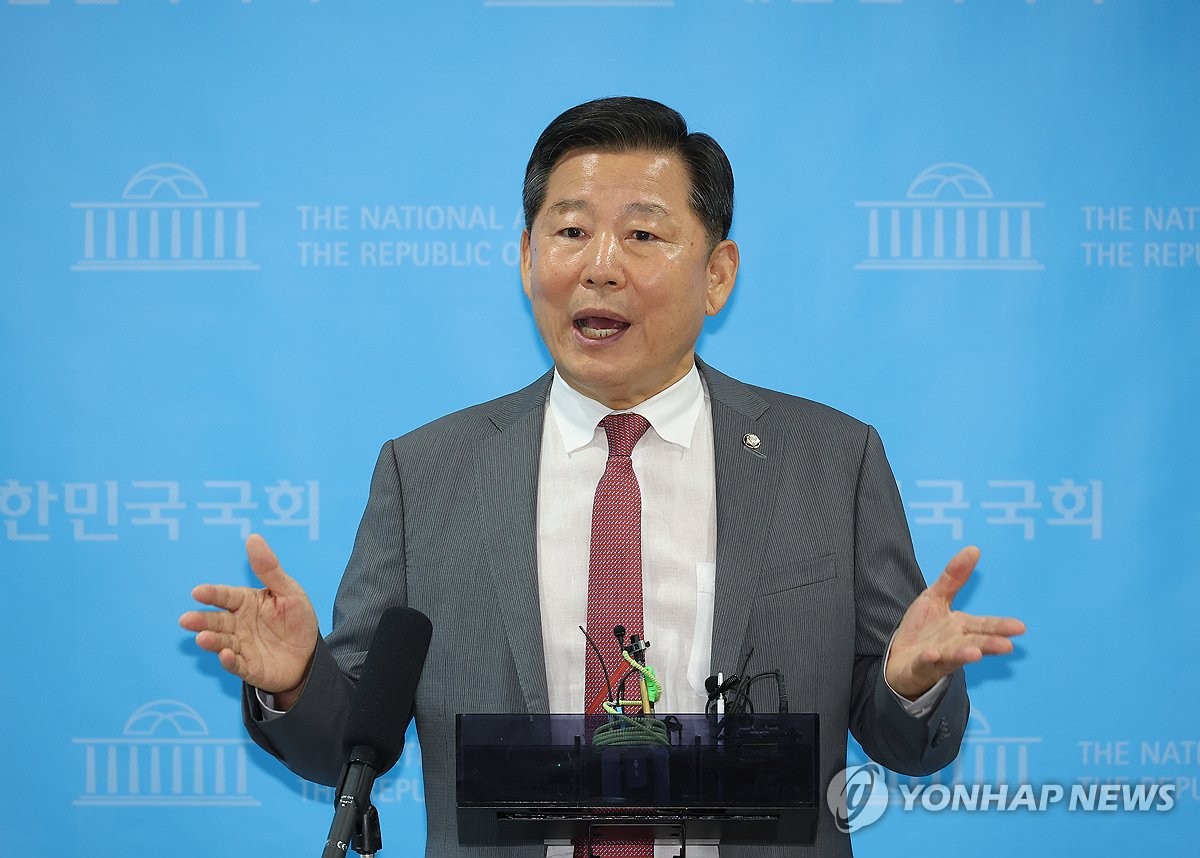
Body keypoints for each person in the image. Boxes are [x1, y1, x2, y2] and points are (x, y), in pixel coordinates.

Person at [180, 96, 1025, 858]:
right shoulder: (426, 472)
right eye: (571, 232)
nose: (600, 266)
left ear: (718, 275)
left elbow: (909, 741)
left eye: (643, 235)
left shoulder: (830, 460)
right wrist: (296, 681)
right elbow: (350, 746)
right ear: (526, 257)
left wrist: (910, 686)